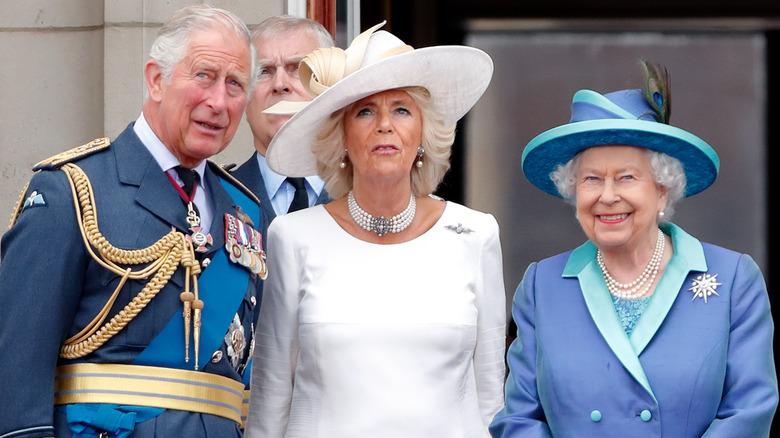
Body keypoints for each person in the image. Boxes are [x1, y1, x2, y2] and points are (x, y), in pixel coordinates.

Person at [0, 5, 270, 438]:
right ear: (155, 79)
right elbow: (16, 380)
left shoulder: (245, 211)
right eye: (204, 76)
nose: (219, 101)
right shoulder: (72, 191)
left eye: (235, 84)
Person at [244, 22, 506, 437]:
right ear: (342, 136)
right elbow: (271, 401)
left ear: (422, 133)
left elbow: (492, 399)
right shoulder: (292, 236)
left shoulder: (474, 234)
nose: (384, 124)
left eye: (401, 109)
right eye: (365, 111)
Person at [490, 62, 778, 437]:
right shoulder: (541, 286)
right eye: (591, 179)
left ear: (662, 189)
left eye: (626, 177)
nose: (608, 196)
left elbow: (749, 414)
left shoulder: (734, 279)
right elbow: (518, 420)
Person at [231, 16, 334, 219]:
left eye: (297, 68)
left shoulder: (368, 194)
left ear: (329, 86)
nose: (280, 84)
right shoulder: (215, 197)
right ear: (244, 95)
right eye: (264, 71)